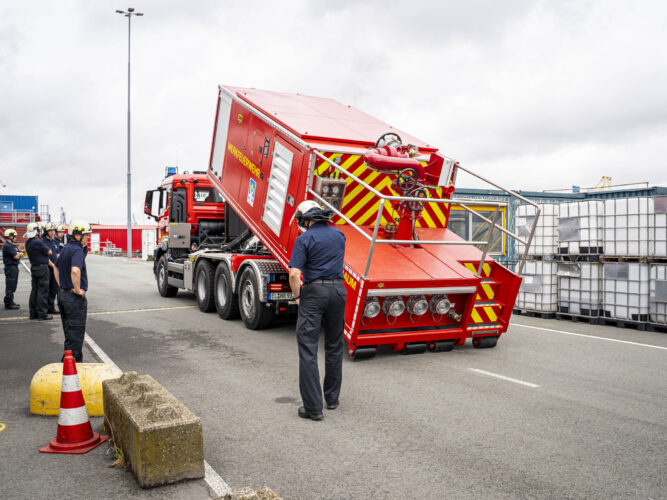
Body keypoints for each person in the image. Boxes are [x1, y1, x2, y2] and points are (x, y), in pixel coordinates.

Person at [288, 200, 347, 421]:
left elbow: (295, 274)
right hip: (339, 292)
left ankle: (313, 408)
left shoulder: (304, 238)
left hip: (314, 293)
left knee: (308, 349)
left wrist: (296, 297)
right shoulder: (339, 235)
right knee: (334, 346)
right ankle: (331, 399)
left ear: (305, 219)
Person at [55, 220, 92, 362]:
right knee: (76, 338)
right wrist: (77, 290)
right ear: (77, 235)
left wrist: (62, 285)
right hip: (73, 299)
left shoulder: (65, 249)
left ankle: (68, 366)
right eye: (86, 235)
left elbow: (55, 267)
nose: (87, 238)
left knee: (69, 335)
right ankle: (72, 370)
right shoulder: (77, 250)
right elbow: (75, 271)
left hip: (63, 295)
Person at [25, 222, 54, 320]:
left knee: (34, 291)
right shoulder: (37, 242)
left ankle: (33, 314)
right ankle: (42, 314)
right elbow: (50, 252)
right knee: (43, 292)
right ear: (36, 231)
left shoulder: (28, 242)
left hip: (34, 267)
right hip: (42, 268)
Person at [42, 222, 60, 314]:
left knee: (54, 289)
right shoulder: (42, 242)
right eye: (51, 231)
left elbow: (57, 253)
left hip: (55, 268)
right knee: (46, 290)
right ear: (46, 231)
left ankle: (51, 308)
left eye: (54, 230)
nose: (53, 232)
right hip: (48, 268)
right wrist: (53, 266)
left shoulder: (54, 241)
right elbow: (45, 257)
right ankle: (45, 309)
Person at [3, 229, 22, 309]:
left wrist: (19, 253)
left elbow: (19, 252)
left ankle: (10, 300)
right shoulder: (8, 246)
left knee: (13, 285)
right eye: (14, 236)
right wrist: (19, 254)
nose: (15, 238)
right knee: (10, 285)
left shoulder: (12, 245)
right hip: (10, 267)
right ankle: (8, 303)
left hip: (14, 267)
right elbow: (16, 256)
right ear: (10, 236)